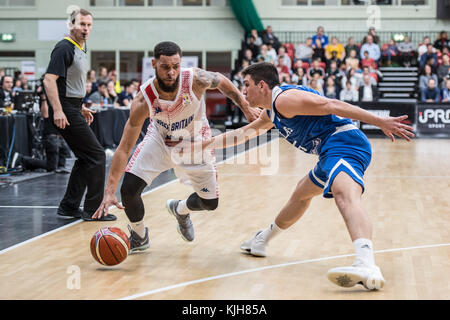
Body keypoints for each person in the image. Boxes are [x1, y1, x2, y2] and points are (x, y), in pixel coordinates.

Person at [178, 62, 414, 291]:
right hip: (328, 152)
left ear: (262, 86)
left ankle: (367, 264)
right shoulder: (272, 111)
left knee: (345, 196)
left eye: (246, 84)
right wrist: (203, 145)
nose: (243, 90)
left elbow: (332, 104)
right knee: (301, 195)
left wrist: (379, 121)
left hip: (345, 144)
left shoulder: (285, 100)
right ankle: (262, 239)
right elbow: (244, 134)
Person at [92, 41, 259, 252]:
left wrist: (244, 106)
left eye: (176, 66)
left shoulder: (196, 79)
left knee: (210, 203)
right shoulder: (144, 100)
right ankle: (139, 235)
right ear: (154, 64)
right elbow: (125, 147)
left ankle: (180, 209)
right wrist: (109, 191)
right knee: (129, 188)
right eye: (165, 67)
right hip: (160, 140)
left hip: (196, 141)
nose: (171, 72)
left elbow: (222, 81)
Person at [43, 8, 114, 221]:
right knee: (97, 155)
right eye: (81, 24)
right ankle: (94, 210)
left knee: (86, 157)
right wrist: (58, 110)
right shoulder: (64, 47)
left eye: (88, 25)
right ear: (71, 25)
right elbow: (49, 80)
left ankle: (69, 206)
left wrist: (80, 106)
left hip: (73, 106)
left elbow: (71, 83)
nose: (85, 28)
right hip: (64, 108)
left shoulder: (80, 47)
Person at [11, 82, 72, 174]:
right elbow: (45, 115)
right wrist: (43, 98)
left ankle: (30, 162)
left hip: (60, 134)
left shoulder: (61, 98)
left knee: (61, 165)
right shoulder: (45, 99)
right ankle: (24, 160)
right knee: (51, 167)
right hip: (51, 135)